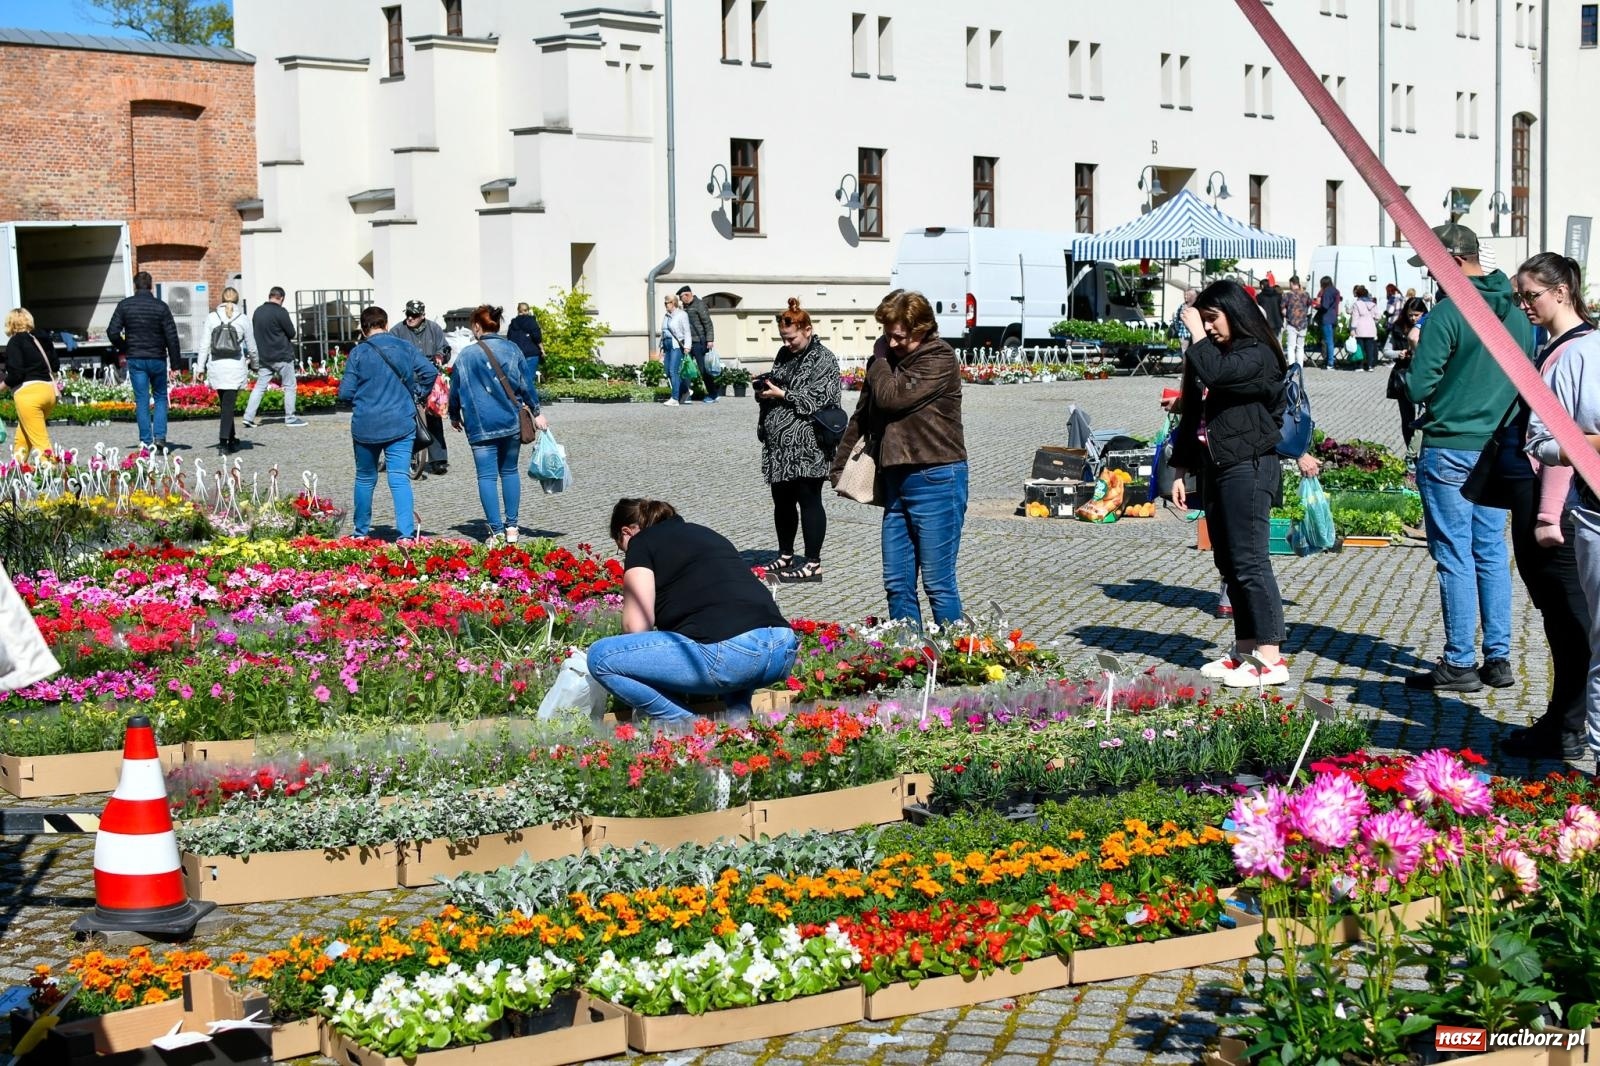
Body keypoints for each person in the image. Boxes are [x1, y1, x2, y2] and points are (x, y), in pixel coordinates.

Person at [1403, 223, 1536, 693]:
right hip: (1498, 447)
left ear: (1454, 261)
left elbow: (1418, 386)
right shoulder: (1516, 314)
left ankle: (1459, 661)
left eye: (1433, 265)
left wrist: (1414, 355)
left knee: (1455, 555)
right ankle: (1498, 658)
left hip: (1450, 445)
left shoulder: (1447, 313)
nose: (1430, 275)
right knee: (1491, 552)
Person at [1168, 279, 1291, 687]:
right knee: (1229, 564)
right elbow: (1193, 412)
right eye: (1202, 320)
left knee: (1250, 561)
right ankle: (1245, 651)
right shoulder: (1211, 354)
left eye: (1212, 318)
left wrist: (1196, 336)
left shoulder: (1257, 354)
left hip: (1249, 465)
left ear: (1235, 314)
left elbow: (1220, 376)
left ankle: (1271, 659)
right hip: (1216, 466)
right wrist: (1181, 468)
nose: (1208, 326)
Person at [586, 498, 798, 726]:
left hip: (732, 654)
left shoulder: (641, 542)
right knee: (721, 634)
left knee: (601, 657)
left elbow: (637, 627)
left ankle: (693, 727)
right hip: (782, 647)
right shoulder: (706, 534)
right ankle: (739, 725)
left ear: (626, 532)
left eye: (622, 549)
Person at [831, 289, 968, 627]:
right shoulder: (887, 362)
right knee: (897, 582)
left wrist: (878, 361)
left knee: (937, 583)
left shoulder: (939, 358)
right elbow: (863, 415)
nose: (890, 343)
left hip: (936, 477)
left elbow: (892, 399)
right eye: (887, 335)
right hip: (895, 480)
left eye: (899, 337)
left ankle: (955, 650)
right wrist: (840, 465)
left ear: (922, 329)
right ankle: (909, 652)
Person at [1508, 252, 1596, 762]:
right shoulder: (1558, 348)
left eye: (1531, 295)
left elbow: (1569, 442)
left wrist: (1546, 516)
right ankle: (1565, 718)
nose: (1524, 305)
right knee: (1562, 618)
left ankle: (1567, 725)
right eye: (1520, 297)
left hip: (1562, 507)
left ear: (1562, 291)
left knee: (1569, 620)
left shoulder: (1574, 353)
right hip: (1560, 501)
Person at [756, 298, 842, 583]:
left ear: (807, 330)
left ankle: (813, 563)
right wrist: (765, 388)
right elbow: (779, 382)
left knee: (809, 501)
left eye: (791, 338)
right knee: (782, 502)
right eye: (783, 338)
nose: (787, 343)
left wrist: (782, 394)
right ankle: (785, 555)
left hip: (809, 443)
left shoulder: (824, 358)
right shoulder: (784, 354)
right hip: (779, 446)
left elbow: (821, 399)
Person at [336, 306, 438, 544]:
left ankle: (361, 532)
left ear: (364, 329)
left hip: (366, 424)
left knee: (365, 478)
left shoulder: (358, 353)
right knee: (399, 478)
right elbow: (430, 372)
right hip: (400, 422)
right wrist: (418, 393)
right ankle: (406, 534)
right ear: (386, 324)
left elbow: (345, 393)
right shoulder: (405, 347)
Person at [447, 304, 548, 545]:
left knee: (486, 477)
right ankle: (512, 527)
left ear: (476, 326)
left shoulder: (466, 355)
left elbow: (455, 389)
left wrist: (453, 414)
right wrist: (536, 411)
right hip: (511, 420)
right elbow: (526, 385)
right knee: (510, 471)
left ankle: (496, 531)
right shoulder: (512, 349)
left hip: (480, 424)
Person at [107, 270, 181, 450]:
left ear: (135, 286)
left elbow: (112, 332)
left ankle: (146, 441)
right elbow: (172, 337)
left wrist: (125, 347)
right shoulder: (161, 307)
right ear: (150, 286)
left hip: (136, 358)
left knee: (142, 399)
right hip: (157, 358)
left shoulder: (125, 305)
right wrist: (176, 364)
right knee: (160, 397)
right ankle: (160, 438)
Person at [391, 299, 451, 476]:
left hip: (429, 379)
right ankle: (407, 456)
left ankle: (438, 459)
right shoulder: (397, 330)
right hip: (407, 379)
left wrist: (440, 356)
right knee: (407, 418)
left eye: (414, 315)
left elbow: (444, 348)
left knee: (433, 418)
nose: (410, 318)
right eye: (408, 314)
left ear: (422, 316)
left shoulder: (434, 328)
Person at [194, 287, 252, 453]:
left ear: (221, 299)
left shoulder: (212, 318)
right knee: (228, 406)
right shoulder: (243, 319)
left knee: (226, 405)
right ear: (237, 300)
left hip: (217, 366)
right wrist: (255, 363)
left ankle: (231, 438)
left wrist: (200, 367)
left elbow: (204, 345)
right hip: (235, 367)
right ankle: (224, 442)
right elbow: (252, 345)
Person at [244, 286, 305, 431]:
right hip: (282, 355)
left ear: (270, 296)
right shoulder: (281, 312)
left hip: (264, 356)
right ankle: (290, 418)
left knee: (260, 387)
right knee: (289, 386)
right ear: (281, 298)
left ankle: (248, 417)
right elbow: (292, 333)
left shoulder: (258, 311)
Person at [3, 308, 59, 461]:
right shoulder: (41, 339)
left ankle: (52, 470)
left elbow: (16, 374)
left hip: (29, 395)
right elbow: (55, 365)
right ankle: (17, 467)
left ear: (10, 324)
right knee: (23, 436)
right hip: (49, 392)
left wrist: (2, 386)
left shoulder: (15, 342)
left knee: (40, 442)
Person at [1389, 295, 1431, 454]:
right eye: (1410, 315)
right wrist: (1398, 353)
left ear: (1423, 313)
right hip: (1403, 376)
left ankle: (1416, 453)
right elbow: (1386, 350)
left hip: (1423, 376)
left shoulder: (1429, 325)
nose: (1413, 318)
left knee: (1423, 415)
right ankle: (1410, 452)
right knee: (1407, 418)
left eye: (1416, 315)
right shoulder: (1398, 327)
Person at [677, 285, 716, 403]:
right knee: (686, 369)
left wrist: (710, 340)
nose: (681, 300)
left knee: (703, 369)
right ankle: (686, 395)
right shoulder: (684, 307)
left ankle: (713, 394)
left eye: (681, 297)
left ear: (687, 295)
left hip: (699, 342)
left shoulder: (700, 305)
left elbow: (707, 323)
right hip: (687, 342)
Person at [660, 294, 691, 405]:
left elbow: (687, 331)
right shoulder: (666, 315)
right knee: (668, 371)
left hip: (676, 345)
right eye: (665, 303)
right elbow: (664, 332)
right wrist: (661, 347)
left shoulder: (682, 315)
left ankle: (675, 398)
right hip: (667, 345)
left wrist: (687, 346)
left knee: (673, 371)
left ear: (673, 303)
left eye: (666, 303)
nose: (665, 305)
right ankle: (685, 390)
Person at [506, 302, 544, 384]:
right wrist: (542, 349)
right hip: (531, 353)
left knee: (519, 381)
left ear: (518, 311)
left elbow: (509, 338)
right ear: (527, 310)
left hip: (517, 354)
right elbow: (537, 336)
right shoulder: (531, 321)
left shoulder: (513, 324)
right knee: (529, 381)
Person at [1281, 276, 1312, 366]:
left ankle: (1292, 367)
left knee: (1291, 347)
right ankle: (1300, 367)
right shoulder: (1306, 294)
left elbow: (1283, 309)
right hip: (1303, 323)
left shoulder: (1287, 295)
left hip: (1292, 323)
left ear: (1291, 283)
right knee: (1300, 347)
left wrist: (1288, 315)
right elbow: (1309, 305)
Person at [1348, 285, 1380, 372]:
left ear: (1358, 295)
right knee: (1370, 348)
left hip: (1360, 328)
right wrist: (1373, 322)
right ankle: (1370, 366)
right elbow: (1378, 316)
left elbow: (1355, 317)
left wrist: (1352, 329)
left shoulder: (1357, 304)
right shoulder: (1373, 304)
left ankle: (1360, 366)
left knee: (1360, 349)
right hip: (1371, 328)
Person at [1315, 276, 1342, 370]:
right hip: (1333, 316)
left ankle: (1330, 363)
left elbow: (1325, 306)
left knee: (1328, 341)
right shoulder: (1336, 291)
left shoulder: (1326, 292)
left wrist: (1316, 306)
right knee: (1331, 341)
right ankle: (1330, 361)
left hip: (1326, 318)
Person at [1256, 273, 1283, 340]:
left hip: (1265, 323)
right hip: (1277, 322)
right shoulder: (1278, 295)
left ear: (1262, 286)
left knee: (1266, 342)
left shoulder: (1259, 297)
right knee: (1278, 342)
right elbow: (1281, 308)